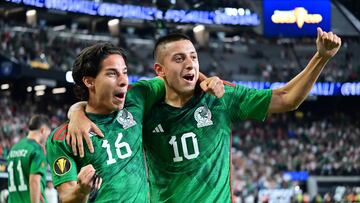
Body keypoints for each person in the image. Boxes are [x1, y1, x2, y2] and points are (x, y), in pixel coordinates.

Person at [68, 28, 341, 202]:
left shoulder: (220, 96)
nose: (189, 64)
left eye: (193, 57)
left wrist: (321, 58)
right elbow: (102, 101)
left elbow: (286, 99)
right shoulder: (144, 97)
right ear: (159, 70)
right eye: (179, 59)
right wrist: (76, 111)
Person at [46, 43, 223, 202]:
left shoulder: (136, 99)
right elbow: (67, 197)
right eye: (112, 74)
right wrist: (81, 190)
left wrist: (206, 80)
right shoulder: (63, 138)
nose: (123, 81)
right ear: (89, 81)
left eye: (124, 72)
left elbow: (174, 75)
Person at [7, 114, 51, 203]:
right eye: (48, 134)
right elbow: (34, 181)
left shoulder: (15, 147)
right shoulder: (37, 149)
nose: (47, 138)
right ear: (43, 130)